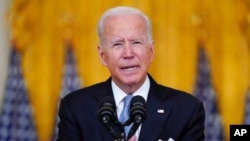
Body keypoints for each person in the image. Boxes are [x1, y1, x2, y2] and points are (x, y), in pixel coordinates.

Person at [56, 6, 205, 141]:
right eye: (117, 44)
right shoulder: (75, 107)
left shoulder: (187, 109)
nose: (128, 53)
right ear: (103, 56)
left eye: (136, 42)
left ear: (151, 51)